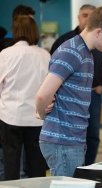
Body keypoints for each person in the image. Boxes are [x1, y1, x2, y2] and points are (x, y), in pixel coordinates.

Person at [36, 6, 102, 176]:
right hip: (62, 141)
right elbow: (42, 95)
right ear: (98, 32)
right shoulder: (71, 52)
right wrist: (42, 115)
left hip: (73, 140)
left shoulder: (87, 53)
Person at [49, 4, 102, 166]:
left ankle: (87, 168)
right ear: (79, 17)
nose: (87, 18)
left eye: (90, 15)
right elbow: (52, 69)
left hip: (93, 93)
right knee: (71, 136)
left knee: (92, 134)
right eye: (84, 15)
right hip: (67, 96)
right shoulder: (66, 41)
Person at [0, 16, 50, 180]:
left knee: (10, 162)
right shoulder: (44, 55)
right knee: (36, 164)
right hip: (36, 118)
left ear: (15, 31)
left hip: (10, 116)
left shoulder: (5, 54)